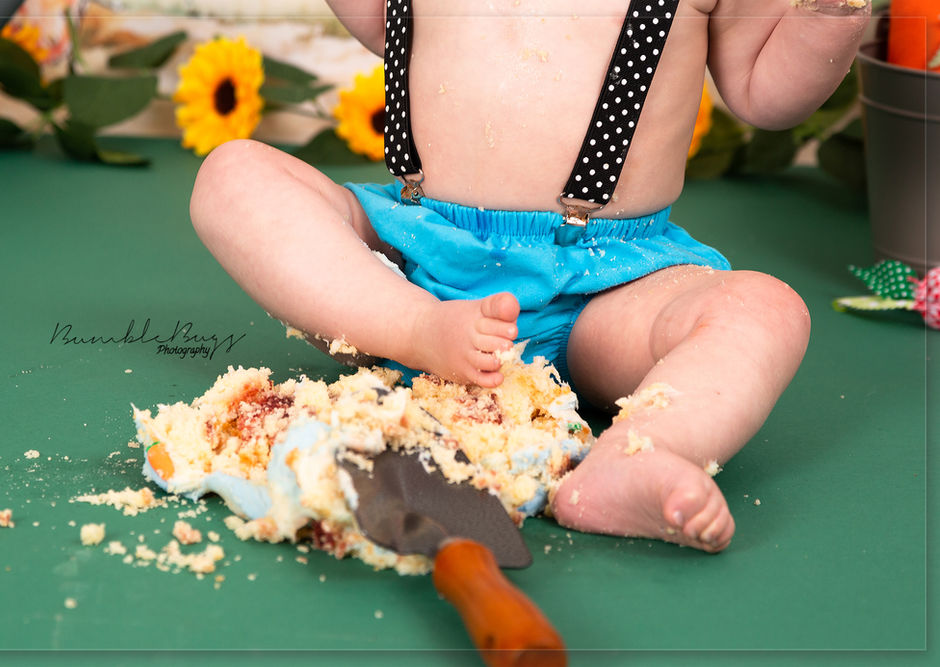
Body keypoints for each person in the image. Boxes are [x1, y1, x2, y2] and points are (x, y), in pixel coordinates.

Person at [189, 0, 870, 553]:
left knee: (765, 308)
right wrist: (409, 310)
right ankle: (409, 328)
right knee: (235, 176)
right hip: (414, 258)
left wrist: (828, 13)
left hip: (608, 289)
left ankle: (639, 455)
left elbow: (765, 92)